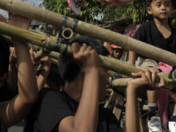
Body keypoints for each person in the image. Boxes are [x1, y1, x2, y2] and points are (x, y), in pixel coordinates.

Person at [25, 35, 164, 132]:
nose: (108, 80)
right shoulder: (48, 99)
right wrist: (92, 70)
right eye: (105, 71)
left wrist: (131, 91)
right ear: (84, 69)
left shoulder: (104, 116)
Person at [127, 0, 176, 132]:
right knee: (154, 71)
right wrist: (130, 67)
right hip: (147, 63)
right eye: (158, 5)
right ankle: (153, 113)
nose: (163, 8)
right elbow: (132, 46)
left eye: (167, 5)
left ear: (172, 9)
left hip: (169, 69)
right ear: (149, 10)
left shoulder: (175, 33)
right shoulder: (145, 28)